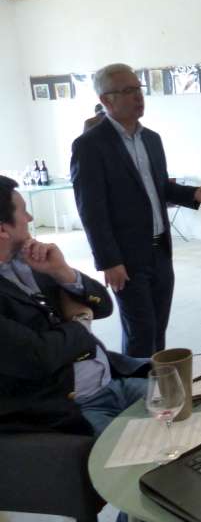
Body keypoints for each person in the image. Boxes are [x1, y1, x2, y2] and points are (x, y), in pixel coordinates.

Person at [71, 63, 201, 357]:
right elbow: (91, 209)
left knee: (158, 329)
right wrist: (109, 261)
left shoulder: (152, 140)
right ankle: (139, 394)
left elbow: (158, 188)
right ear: (106, 100)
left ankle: (159, 390)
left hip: (160, 251)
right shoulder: (90, 145)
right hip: (126, 258)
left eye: (138, 89)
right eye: (127, 91)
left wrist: (193, 194)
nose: (138, 97)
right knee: (141, 333)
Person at [0, 175, 148, 437]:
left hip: (113, 382)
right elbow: (40, 356)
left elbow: (103, 306)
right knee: (135, 462)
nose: (31, 218)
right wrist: (80, 320)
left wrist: (64, 273)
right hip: (71, 409)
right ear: (3, 229)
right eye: (24, 211)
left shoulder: (31, 260)